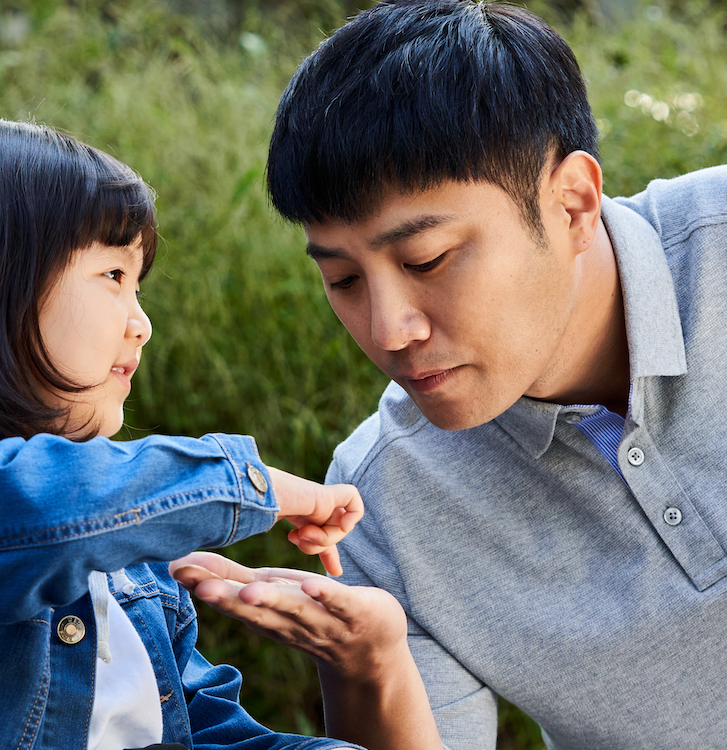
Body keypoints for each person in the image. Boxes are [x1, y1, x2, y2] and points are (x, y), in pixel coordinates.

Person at [0, 114, 438, 750]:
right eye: (112, 275)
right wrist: (246, 484)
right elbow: (46, 513)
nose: (142, 322)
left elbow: (202, 730)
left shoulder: (124, 552)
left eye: (140, 285)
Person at [171, 1, 727, 749]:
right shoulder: (386, 502)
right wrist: (369, 667)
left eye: (425, 260)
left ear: (573, 204)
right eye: (342, 279)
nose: (388, 330)